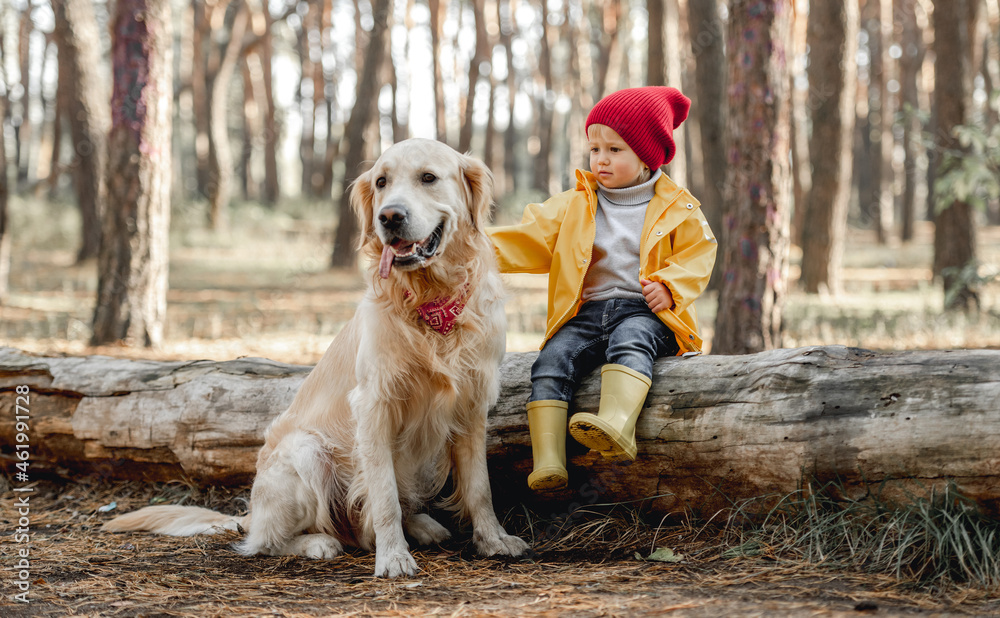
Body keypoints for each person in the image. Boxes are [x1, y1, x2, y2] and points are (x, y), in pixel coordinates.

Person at [487, 86, 718, 491]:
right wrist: (469, 248)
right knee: (551, 360)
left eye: (615, 149)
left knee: (630, 340)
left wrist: (670, 286)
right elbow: (530, 237)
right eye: (595, 148)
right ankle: (549, 461)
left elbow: (699, 254)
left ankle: (617, 425)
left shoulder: (678, 207)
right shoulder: (576, 203)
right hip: (587, 314)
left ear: (647, 156)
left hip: (647, 312)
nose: (601, 159)